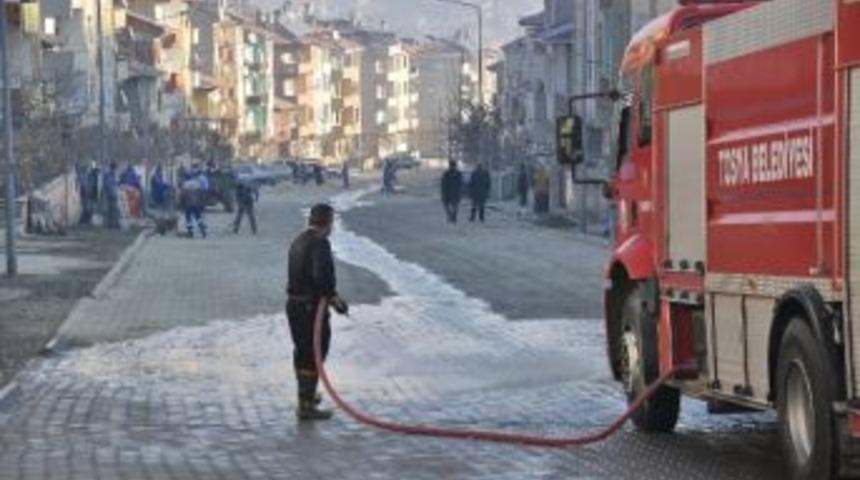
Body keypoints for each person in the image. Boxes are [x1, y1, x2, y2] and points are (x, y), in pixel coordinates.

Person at [286, 204, 349, 421]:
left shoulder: (299, 240)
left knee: (303, 353)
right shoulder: (319, 244)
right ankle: (306, 406)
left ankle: (307, 397)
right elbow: (321, 277)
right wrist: (335, 299)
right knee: (314, 354)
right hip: (309, 309)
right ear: (328, 222)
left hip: (295, 306)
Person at [179, 165, 208, 238]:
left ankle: (190, 232)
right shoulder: (197, 183)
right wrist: (202, 204)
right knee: (198, 216)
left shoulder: (185, 184)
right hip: (196, 204)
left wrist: (181, 204)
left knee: (188, 218)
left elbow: (182, 196)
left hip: (188, 205)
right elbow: (201, 194)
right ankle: (202, 230)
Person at [102, 163, 121, 229]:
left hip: (111, 195)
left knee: (112, 210)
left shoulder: (112, 175)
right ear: (113, 168)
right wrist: (113, 194)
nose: (115, 170)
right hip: (109, 196)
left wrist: (118, 184)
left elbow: (114, 184)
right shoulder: (108, 175)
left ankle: (113, 224)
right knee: (112, 210)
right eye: (115, 169)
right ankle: (112, 225)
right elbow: (109, 186)